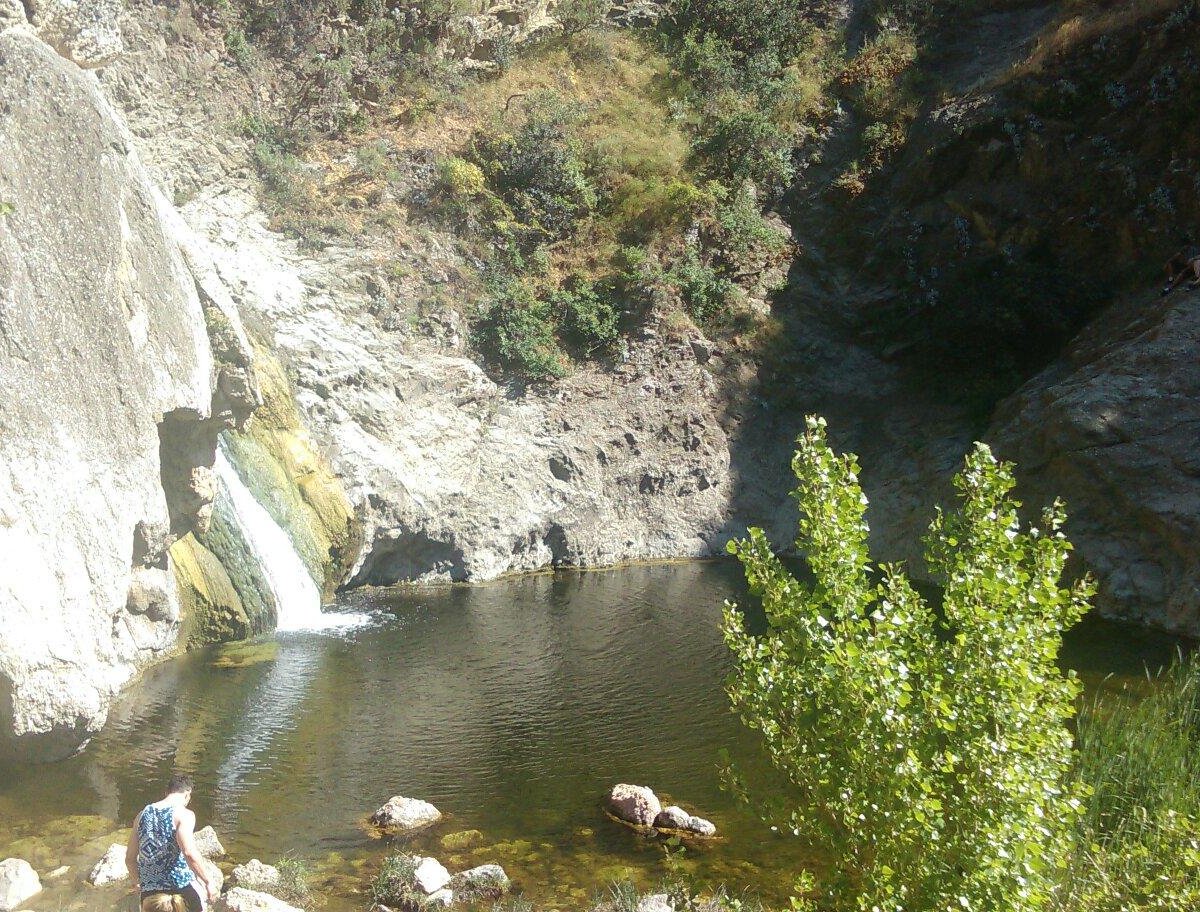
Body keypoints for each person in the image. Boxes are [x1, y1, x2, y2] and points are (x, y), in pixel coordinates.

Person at [124, 774, 218, 912]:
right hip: (179, 888)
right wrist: (208, 882)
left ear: (166, 792)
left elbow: (129, 859)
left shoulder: (141, 815)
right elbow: (189, 853)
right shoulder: (184, 814)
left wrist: (138, 883)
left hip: (150, 895)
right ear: (187, 795)